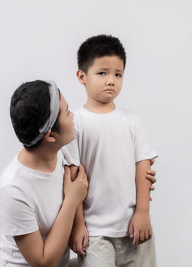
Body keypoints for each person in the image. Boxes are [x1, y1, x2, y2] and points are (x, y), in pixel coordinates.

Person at [62, 35, 159, 267]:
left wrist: (143, 212)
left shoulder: (132, 121)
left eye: (118, 74)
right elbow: (73, 176)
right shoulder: (75, 123)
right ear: (82, 76)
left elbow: (143, 167)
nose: (111, 81)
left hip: (135, 228)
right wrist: (78, 225)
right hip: (95, 232)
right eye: (102, 73)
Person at [0, 80, 89, 267]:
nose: (73, 116)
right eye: (67, 112)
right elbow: (44, 262)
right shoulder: (13, 189)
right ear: (51, 135)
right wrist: (71, 201)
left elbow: (79, 178)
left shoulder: (66, 145)